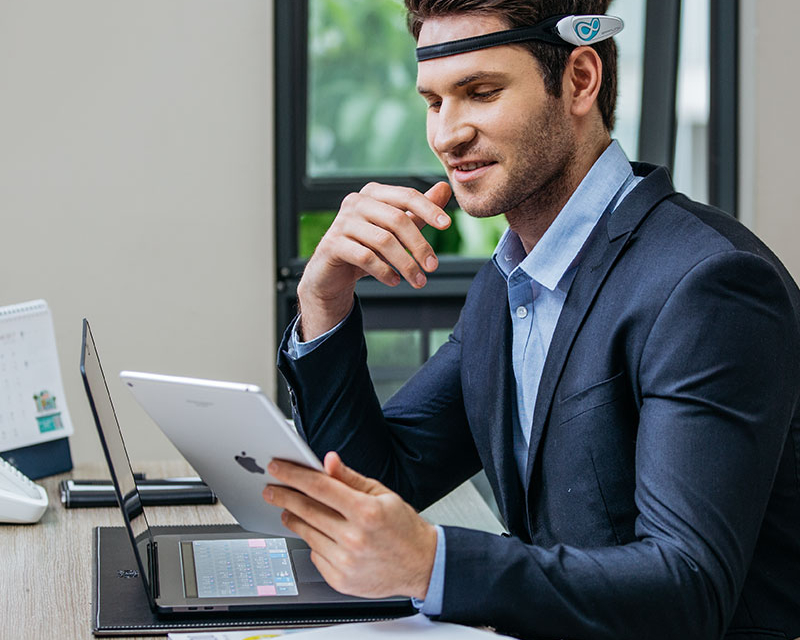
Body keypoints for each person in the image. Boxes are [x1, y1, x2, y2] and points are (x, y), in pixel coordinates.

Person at [265, 1, 800, 638]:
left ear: (580, 79)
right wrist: (324, 304)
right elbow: (378, 484)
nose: (446, 135)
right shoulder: (508, 281)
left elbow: (688, 589)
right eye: (434, 102)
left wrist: (434, 561)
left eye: (481, 93)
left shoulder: (708, 286)